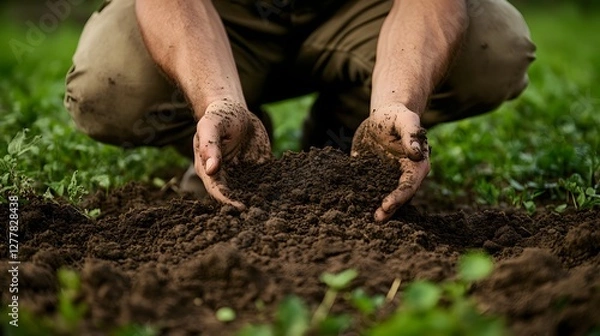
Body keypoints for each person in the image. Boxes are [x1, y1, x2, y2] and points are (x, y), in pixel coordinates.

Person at [64, 0, 535, 222]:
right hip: (222, 18)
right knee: (109, 85)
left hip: (360, 11)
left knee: (494, 50)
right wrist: (216, 100)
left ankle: (350, 135)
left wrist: (396, 101)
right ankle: (229, 136)